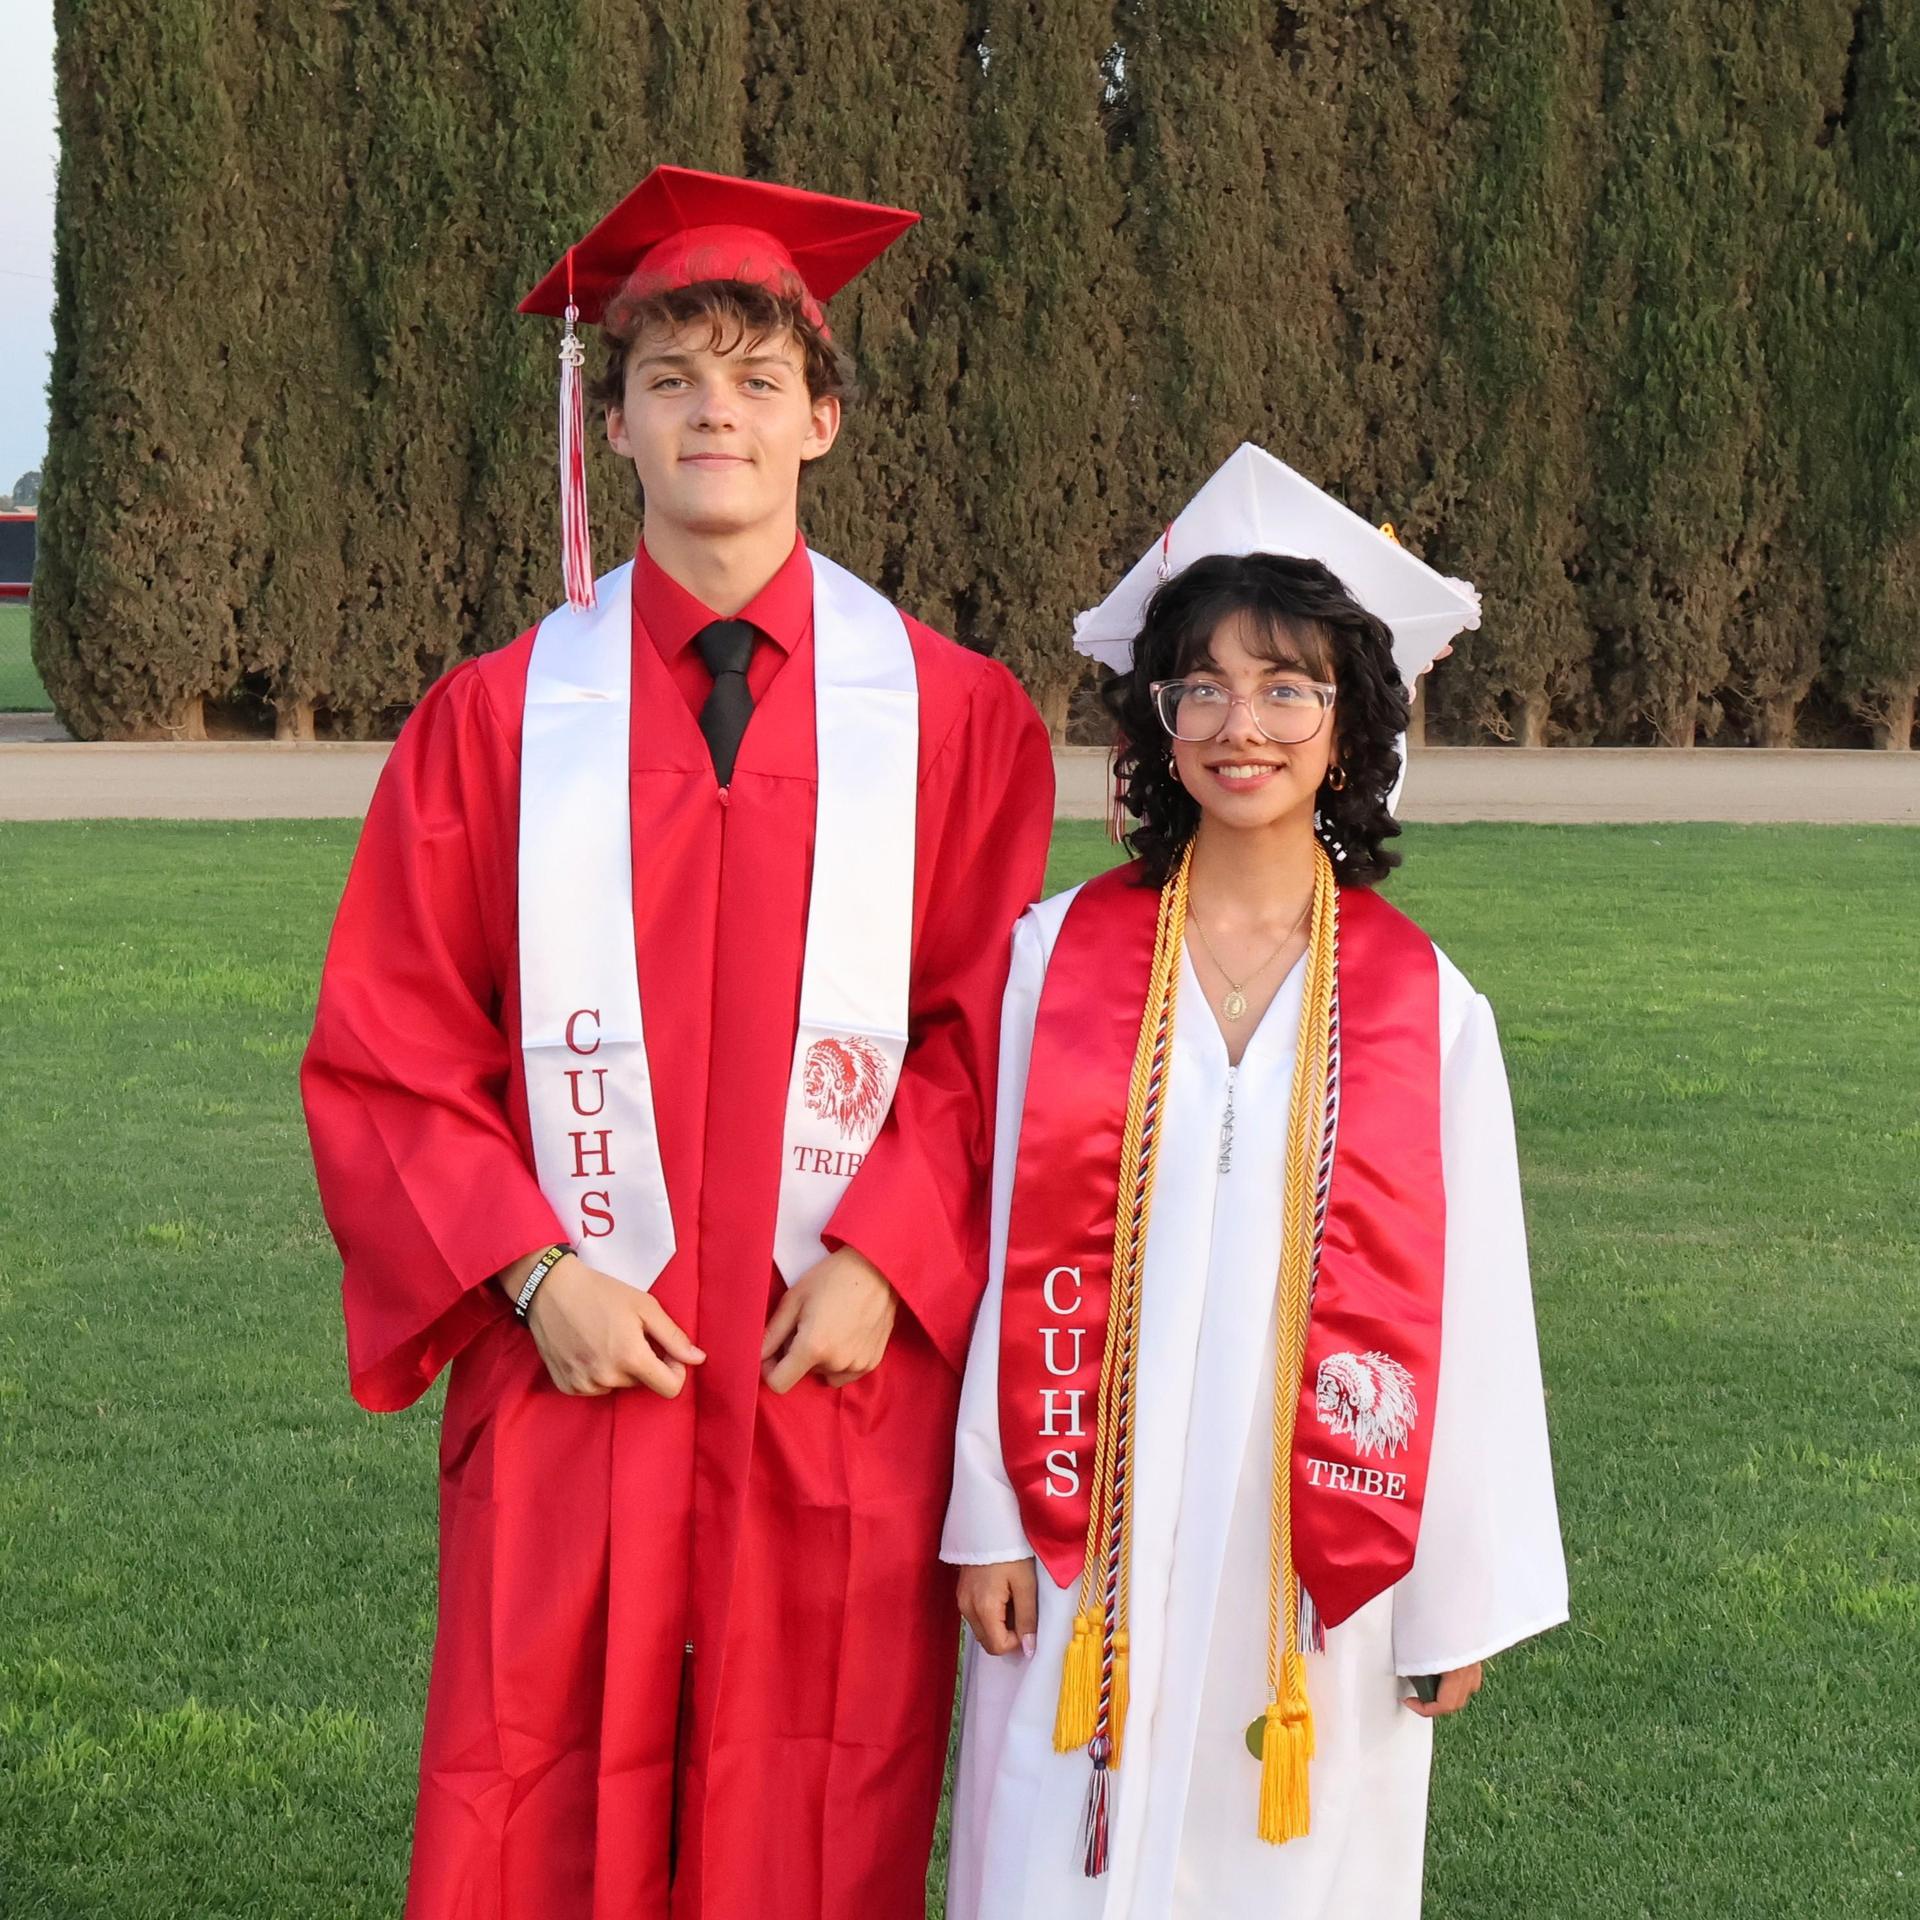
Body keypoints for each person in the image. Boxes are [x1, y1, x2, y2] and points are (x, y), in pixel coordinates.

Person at [301, 165, 1055, 1919]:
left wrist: (890, 1248)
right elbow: (390, 1051)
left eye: (756, 376)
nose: (716, 407)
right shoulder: (495, 721)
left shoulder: (956, 718)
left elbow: (987, 1032)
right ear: (613, 427)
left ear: (823, 419)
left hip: (830, 1379)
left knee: (817, 1797)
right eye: (670, 379)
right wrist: (525, 1274)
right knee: (537, 1793)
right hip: (584, 1379)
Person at [940, 446, 1566, 1918]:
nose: (1242, 726)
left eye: (1289, 687)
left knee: (1287, 1869)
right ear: (1153, 724)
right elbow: (985, 1251)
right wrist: (983, 1513)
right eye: (1200, 688)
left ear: (1352, 724)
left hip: (1314, 1552)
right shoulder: (1052, 961)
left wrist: (1451, 1588)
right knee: (1053, 1853)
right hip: (1079, 1521)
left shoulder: (1427, 1009)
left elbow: (1474, 1311)